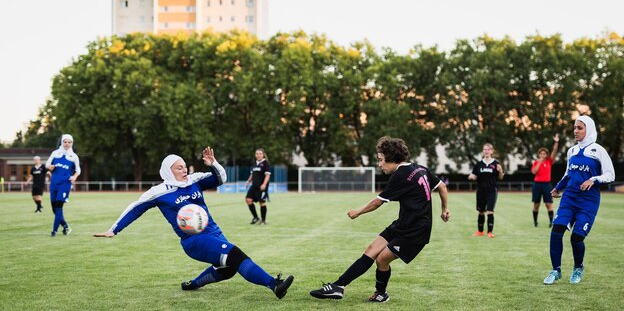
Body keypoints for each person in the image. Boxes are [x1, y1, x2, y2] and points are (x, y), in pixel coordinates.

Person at [94, 147, 294, 298]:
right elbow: (134, 208)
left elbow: (220, 178)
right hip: (193, 241)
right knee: (235, 254)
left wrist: (213, 163)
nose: (183, 169)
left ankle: (193, 284)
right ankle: (274, 285)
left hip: (214, 232)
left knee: (228, 269)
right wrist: (114, 229)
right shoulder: (159, 192)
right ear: (167, 171)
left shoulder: (194, 180)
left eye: (184, 166)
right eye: (178, 167)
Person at [309, 136, 450, 302]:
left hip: (416, 231)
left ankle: (381, 294)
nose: (379, 164)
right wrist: (445, 209)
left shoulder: (401, 176)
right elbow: (441, 186)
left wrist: (358, 211)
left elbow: (378, 202)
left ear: (392, 159)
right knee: (371, 250)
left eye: (381, 160)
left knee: (382, 258)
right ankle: (338, 287)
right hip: (403, 224)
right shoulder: (419, 168)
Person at [543, 116, 615, 285]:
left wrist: (593, 179)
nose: (576, 131)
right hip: (569, 198)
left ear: (589, 129)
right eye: (575, 127)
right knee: (556, 230)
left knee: (576, 238)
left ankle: (578, 268)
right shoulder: (572, 151)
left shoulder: (599, 151)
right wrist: (558, 187)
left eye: (580, 128)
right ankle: (556, 270)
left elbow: (610, 174)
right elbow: (568, 174)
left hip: (588, 202)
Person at [45, 134, 80, 236]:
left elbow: (78, 170)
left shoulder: (74, 156)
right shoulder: (55, 153)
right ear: (62, 142)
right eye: (65, 142)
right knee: (54, 209)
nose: (67, 144)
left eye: (69, 142)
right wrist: (49, 166)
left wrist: (74, 177)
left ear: (71, 143)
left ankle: (54, 231)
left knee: (59, 207)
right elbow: (47, 164)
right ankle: (65, 227)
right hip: (54, 184)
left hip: (65, 185)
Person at [468, 143, 504, 238]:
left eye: (488, 149)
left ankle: (490, 232)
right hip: (481, 190)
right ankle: (480, 231)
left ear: (492, 151)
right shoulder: (479, 164)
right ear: (483, 151)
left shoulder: (496, 164)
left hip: (492, 190)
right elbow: (474, 175)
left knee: (490, 211)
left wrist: (500, 171)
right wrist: (471, 177)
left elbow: (500, 177)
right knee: (481, 211)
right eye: (485, 149)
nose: (486, 151)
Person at [531, 134, 559, 227]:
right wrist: (539, 162)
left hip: (547, 185)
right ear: (539, 154)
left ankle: (551, 222)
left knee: (548, 204)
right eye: (541, 154)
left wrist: (556, 142)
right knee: (536, 204)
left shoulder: (549, 162)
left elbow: (554, 151)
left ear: (547, 155)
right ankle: (535, 222)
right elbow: (534, 171)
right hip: (537, 185)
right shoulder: (536, 162)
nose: (543, 155)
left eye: (544, 154)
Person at [245, 148, 271, 224]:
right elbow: (252, 174)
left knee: (261, 202)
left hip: (261, 187)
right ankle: (256, 218)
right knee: (248, 199)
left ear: (263, 155)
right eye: (257, 153)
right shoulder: (255, 163)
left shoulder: (265, 163)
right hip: (254, 186)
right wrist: (248, 182)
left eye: (260, 153)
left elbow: (267, 175)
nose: (258, 155)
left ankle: (263, 220)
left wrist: (264, 184)